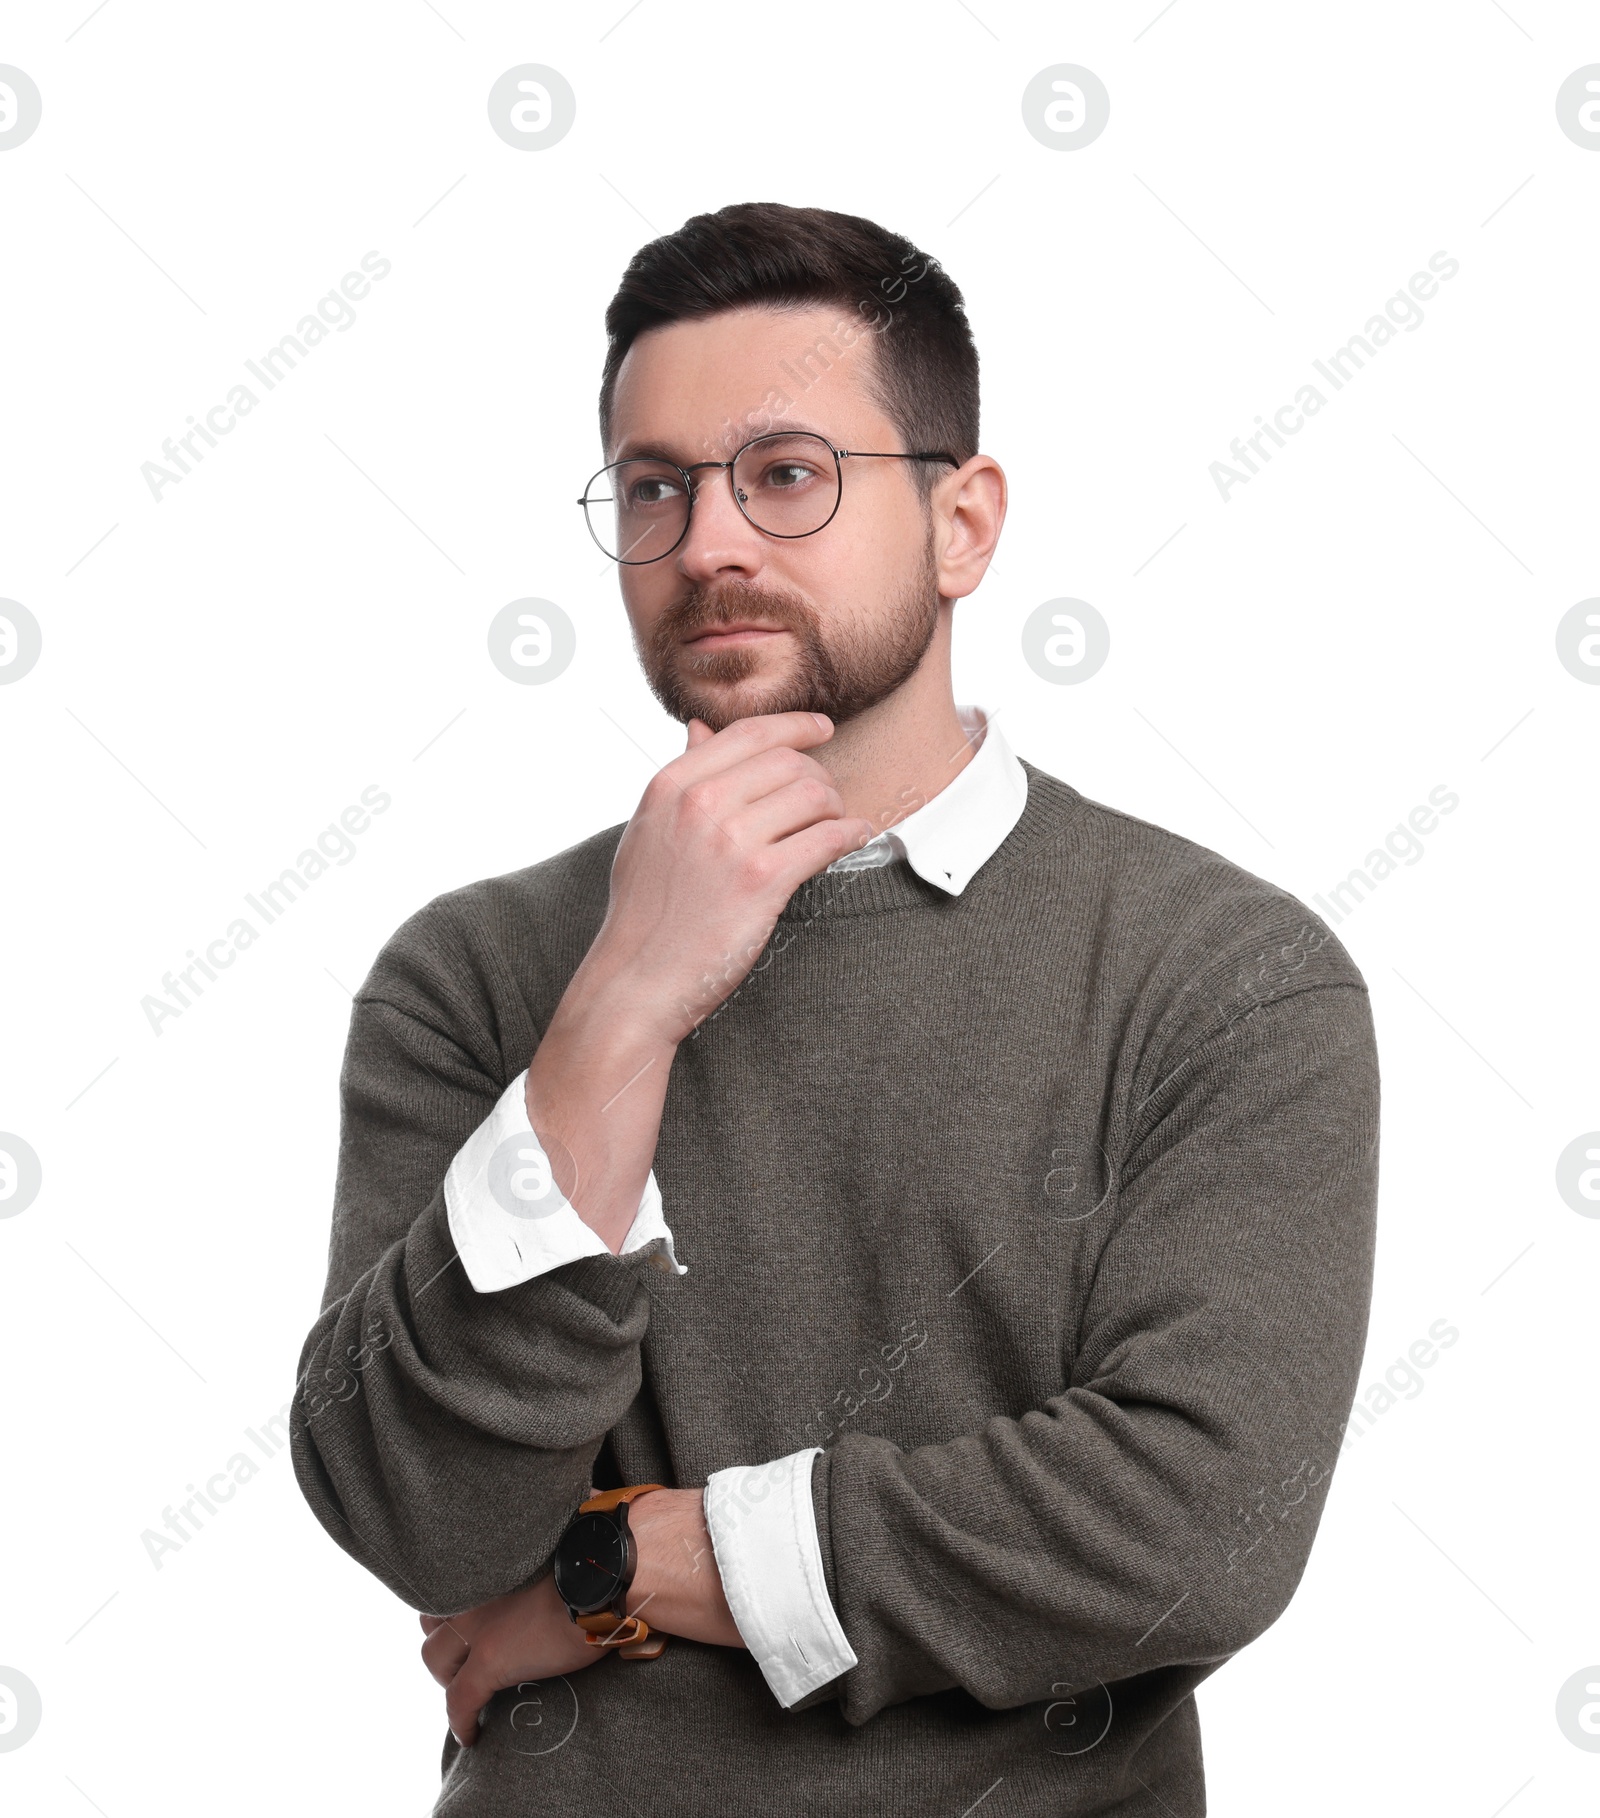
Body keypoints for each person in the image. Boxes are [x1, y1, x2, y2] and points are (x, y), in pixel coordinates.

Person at [290, 200, 1380, 1817]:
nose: (711, 540)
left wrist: (626, 1555)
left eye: (787, 475)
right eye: (656, 487)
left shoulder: (1227, 975)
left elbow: (1199, 1522)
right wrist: (618, 1013)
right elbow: (417, 1522)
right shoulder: (477, 972)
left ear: (964, 523)